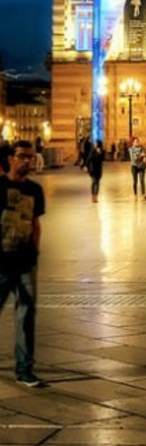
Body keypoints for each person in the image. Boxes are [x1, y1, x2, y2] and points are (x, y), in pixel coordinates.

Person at [0, 140, 45, 387]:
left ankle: (24, 369)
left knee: (26, 316)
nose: (27, 160)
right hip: (1, 262)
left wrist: (35, 253)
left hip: (26, 262)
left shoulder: (35, 190)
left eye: (30, 157)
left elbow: (36, 224)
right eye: (22, 156)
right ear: (11, 158)